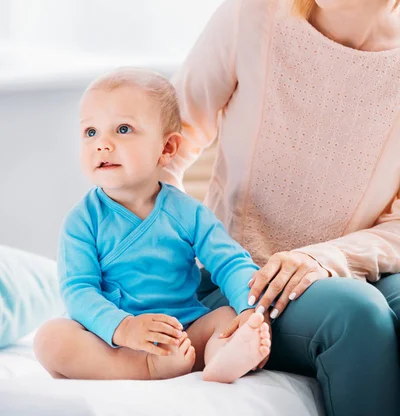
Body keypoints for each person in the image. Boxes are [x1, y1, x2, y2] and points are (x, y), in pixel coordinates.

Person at [160, 0, 400, 416]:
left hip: (349, 266)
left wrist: (323, 259)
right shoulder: (253, 17)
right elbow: (162, 149)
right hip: (239, 275)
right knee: (356, 317)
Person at [33, 67, 271, 383]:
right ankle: (139, 369)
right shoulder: (82, 221)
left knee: (225, 318)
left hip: (183, 337)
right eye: (91, 132)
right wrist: (124, 328)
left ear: (167, 148)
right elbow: (79, 290)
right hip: (113, 341)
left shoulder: (188, 213)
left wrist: (247, 312)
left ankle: (222, 359)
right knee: (51, 338)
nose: (102, 144)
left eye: (123, 129)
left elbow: (230, 262)